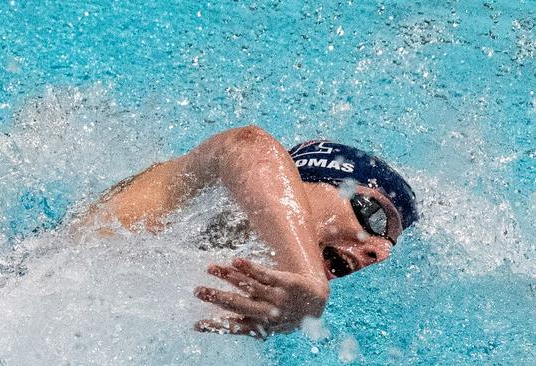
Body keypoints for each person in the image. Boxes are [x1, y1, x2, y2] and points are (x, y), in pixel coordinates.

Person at [71, 125, 418, 338]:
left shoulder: (256, 306)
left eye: (389, 244)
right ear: (302, 182)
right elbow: (245, 144)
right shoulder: (187, 195)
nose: (380, 252)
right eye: (374, 217)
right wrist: (307, 275)